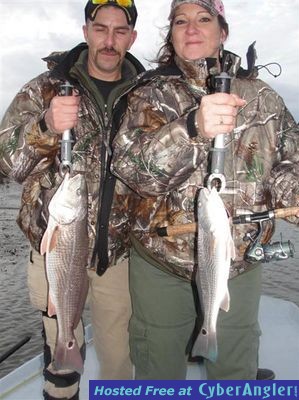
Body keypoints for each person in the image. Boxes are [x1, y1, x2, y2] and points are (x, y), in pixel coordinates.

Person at [111, 0, 299, 380]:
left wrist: (295, 196)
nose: (191, 28)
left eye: (203, 19)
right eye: (180, 21)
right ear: (172, 35)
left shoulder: (263, 98)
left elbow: (285, 168)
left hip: (240, 263)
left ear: (222, 32)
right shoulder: (147, 95)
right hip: (160, 263)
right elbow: (131, 171)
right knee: (157, 368)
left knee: (234, 369)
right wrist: (192, 127)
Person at [0, 0, 144, 398]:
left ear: (132, 38)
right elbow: (6, 162)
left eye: (120, 31)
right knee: (60, 357)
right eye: (101, 28)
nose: (109, 40)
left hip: (117, 255)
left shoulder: (147, 98)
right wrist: (45, 125)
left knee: (118, 358)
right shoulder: (43, 88)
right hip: (55, 251)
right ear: (86, 31)